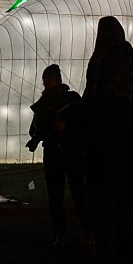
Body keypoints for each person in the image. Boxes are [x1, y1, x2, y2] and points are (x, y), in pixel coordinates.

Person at [81, 16, 133, 264]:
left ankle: (104, 261)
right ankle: (125, 262)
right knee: (125, 221)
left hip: (99, 165)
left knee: (103, 221)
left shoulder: (96, 87)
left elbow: (87, 104)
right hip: (126, 166)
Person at [26, 64, 85, 245]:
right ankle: (61, 232)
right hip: (53, 152)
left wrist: (67, 127)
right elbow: (35, 128)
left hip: (71, 151)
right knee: (56, 195)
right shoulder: (44, 103)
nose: (46, 83)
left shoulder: (72, 99)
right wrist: (37, 137)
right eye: (45, 80)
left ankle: (86, 230)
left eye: (49, 79)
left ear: (58, 79)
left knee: (78, 192)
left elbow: (84, 121)